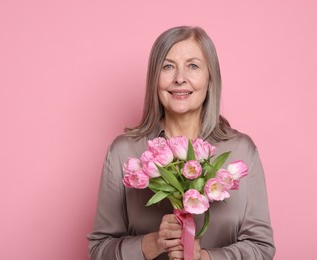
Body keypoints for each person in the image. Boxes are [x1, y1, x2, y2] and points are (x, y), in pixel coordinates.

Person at [87, 26, 275, 260]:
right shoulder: (123, 152)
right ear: (155, 78)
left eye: (193, 66)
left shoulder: (241, 151)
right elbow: (98, 251)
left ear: (210, 77)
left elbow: (262, 248)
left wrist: (205, 258)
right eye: (168, 66)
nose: (179, 78)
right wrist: (151, 244)